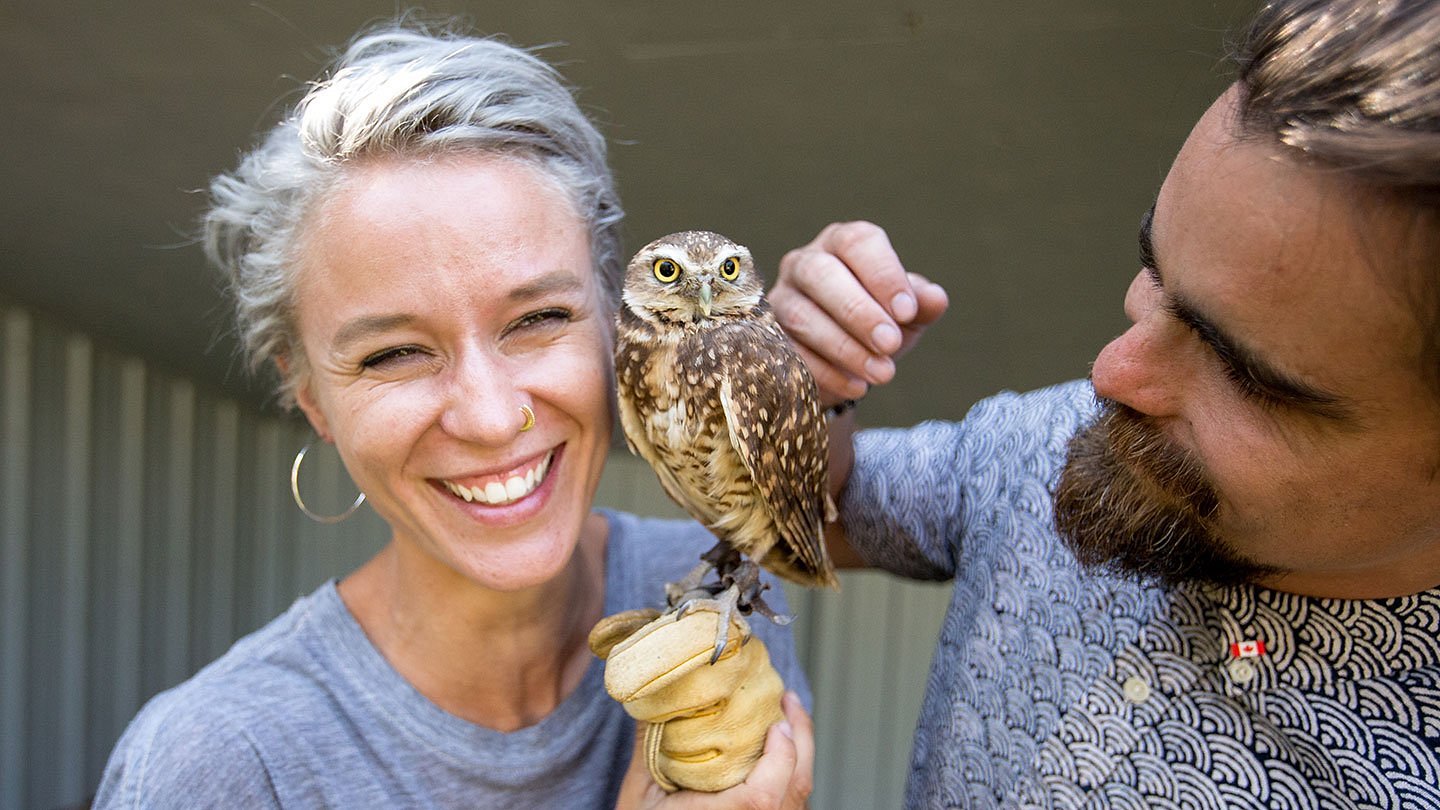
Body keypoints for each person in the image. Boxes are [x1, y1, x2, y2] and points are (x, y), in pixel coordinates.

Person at [94, 24, 820, 809]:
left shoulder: (715, 598)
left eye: (538, 318)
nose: (489, 417)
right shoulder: (215, 765)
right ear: (311, 399)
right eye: (392, 354)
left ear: (616, 319)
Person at [772, 0, 1440, 807]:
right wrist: (797, 386)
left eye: (1245, 375)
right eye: (1153, 273)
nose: (1112, 375)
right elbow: (811, 519)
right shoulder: (1053, 441)